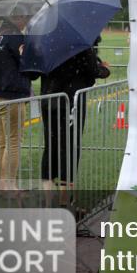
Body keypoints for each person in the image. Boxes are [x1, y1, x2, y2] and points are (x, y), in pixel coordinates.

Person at [34, 37, 110, 187]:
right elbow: (93, 70)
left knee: (51, 146)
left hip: (49, 98)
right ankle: (65, 201)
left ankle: (48, 200)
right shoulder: (80, 43)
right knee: (70, 148)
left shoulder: (45, 41)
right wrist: (105, 69)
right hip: (70, 101)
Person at [0, 14, 33, 190]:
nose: (27, 21)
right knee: (13, 141)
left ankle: (0, 184)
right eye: (26, 17)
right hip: (11, 93)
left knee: (2, 140)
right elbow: (27, 65)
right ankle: (9, 186)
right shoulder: (17, 37)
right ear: (17, 18)